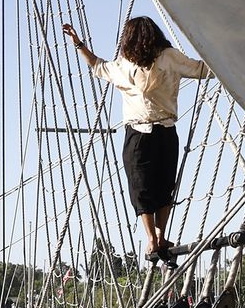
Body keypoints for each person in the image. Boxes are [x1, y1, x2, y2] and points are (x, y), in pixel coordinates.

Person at [62, 17, 210, 260]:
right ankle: (156, 237)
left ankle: (156, 237)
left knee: (148, 187)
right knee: (157, 186)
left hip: (151, 130)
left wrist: (79, 45)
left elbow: (97, 65)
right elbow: (200, 69)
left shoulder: (161, 58)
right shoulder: (147, 61)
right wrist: (78, 44)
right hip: (155, 130)